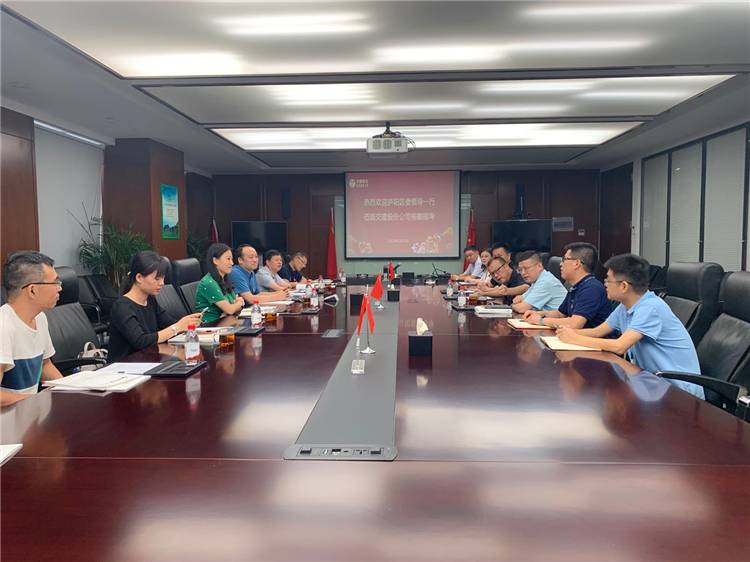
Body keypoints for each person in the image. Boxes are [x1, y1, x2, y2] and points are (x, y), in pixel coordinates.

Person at [556, 254, 704, 399]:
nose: (605, 284)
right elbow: (597, 332)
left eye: (608, 280)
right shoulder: (625, 307)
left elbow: (619, 346)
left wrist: (574, 338)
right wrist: (566, 332)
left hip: (679, 392)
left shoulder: (650, 307)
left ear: (624, 286)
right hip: (651, 385)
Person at [109, 251, 202, 362]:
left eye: (163, 278)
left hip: (149, 360)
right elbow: (140, 341)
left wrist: (188, 323)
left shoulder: (150, 300)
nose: (162, 283)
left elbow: (167, 323)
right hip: (126, 366)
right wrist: (177, 327)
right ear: (139, 277)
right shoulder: (122, 306)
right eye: (157, 279)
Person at [1, 251, 63, 405]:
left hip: (29, 411)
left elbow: (45, 365)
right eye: (55, 282)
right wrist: (36, 400)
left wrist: (70, 389)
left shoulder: (40, 318)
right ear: (32, 290)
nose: (59, 288)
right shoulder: (4, 327)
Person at [524, 243, 613, 330]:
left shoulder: (591, 288)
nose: (561, 264)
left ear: (576, 263)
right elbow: (560, 314)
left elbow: (575, 324)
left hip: (594, 339)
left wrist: (541, 320)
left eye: (564, 259)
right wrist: (538, 314)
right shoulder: (576, 287)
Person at [195, 243, 245, 323]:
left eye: (232, 259)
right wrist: (240, 302)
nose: (232, 263)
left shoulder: (223, 280)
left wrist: (232, 307)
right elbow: (230, 309)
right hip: (210, 325)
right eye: (228, 259)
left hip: (225, 322)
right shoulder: (208, 283)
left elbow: (234, 307)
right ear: (215, 260)